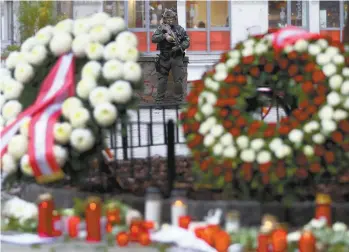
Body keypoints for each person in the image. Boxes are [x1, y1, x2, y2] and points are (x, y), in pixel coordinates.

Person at [151, 8, 190, 105]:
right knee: (162, 81)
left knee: (178, 81)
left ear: (175, 18)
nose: (169, 21)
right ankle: (159, 102)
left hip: (176, 57)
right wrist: (164, 36)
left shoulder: (180, 29)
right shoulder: (161, 28)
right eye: (167, 19)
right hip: (164, 57)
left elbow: (187, 41)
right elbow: (154, 39)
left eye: (171, 18)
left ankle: (179, 102)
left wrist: (180, 47)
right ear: (164, 19)